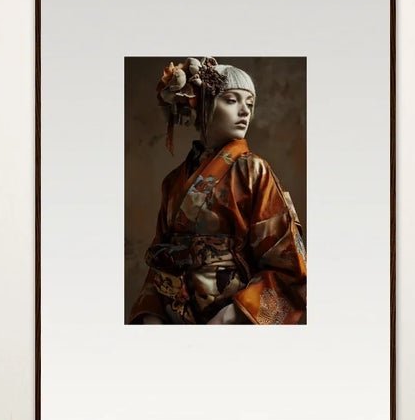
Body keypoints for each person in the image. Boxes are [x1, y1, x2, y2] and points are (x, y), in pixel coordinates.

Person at [130, 57, 307, 325]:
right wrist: (151, 316)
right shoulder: (173, 181)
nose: (244, 111)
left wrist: (232, 316)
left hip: (230, 316)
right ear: (203, 105)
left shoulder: (253, 170)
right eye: (232, 100)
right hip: (173, 315)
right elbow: (160, 259)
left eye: (249, 103)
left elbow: (287, 265)